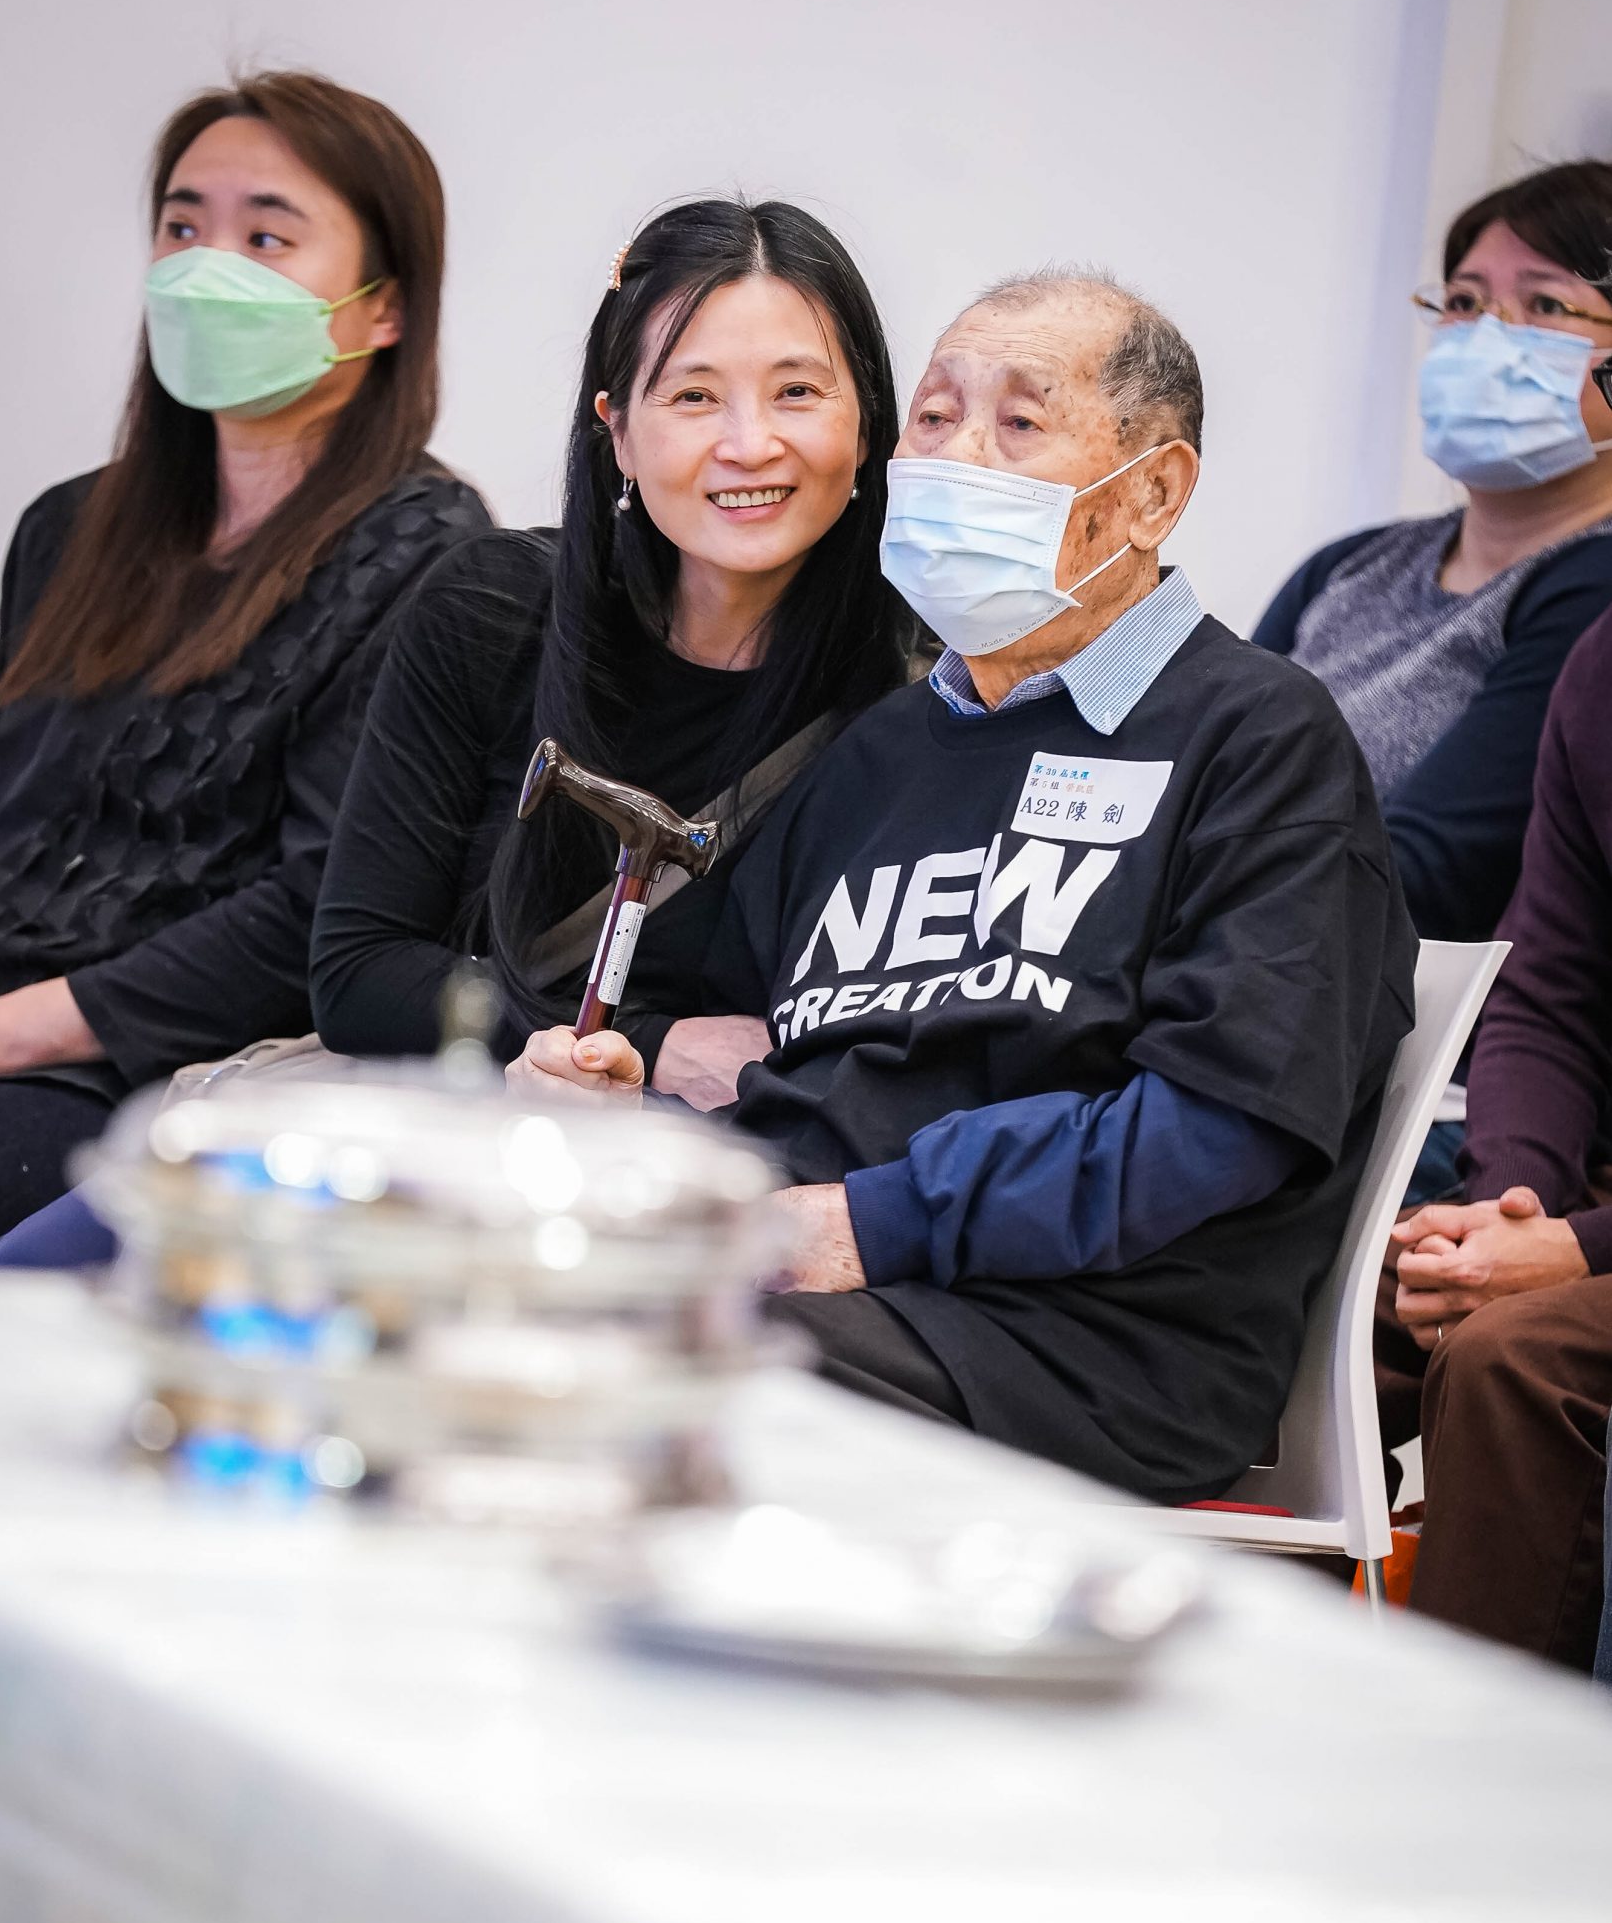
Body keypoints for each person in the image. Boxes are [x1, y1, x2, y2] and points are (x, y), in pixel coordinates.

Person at [510, 272, 1417, 1502]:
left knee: (610, 1371)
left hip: (1079, 1340)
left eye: (1020, 422)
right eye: (935, 417)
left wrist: (869, 1223)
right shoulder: (876, 753)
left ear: (1153, 493)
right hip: (824, 1284)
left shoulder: (1256, 740)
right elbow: (765, 1064)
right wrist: (636, 1113)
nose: (957, 456)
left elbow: (1221, 1127)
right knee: (433, 1302)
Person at [0, 71, 488, 1263]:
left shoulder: (432, 556)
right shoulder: (70, 525)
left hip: (130, 1083)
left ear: (383, 308)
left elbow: (316, 909)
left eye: (266, 236)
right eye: (181, 226)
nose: (204, 268)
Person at [308, 197, 910, 1077]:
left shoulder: (924, 686)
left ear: (864, 425)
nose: (750, 445)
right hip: (479, 1126)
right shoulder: (490, 611)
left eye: (797, 392)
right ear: (618, 429)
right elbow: (359, 975)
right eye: (695, 396)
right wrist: (649, 1047)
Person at [1259, 160, 1612, 955]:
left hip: (1392, 1007)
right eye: (1463, 302)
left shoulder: (1594, 590)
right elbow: (1184, 784)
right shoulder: (1347, 567)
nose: (1485, 334)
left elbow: (1428, 876)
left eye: (1545, 304)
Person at [1379, 599, 1612, 1670]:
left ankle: (1475, 1767)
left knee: (1511, 1357)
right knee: (1303, 1292)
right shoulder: (1603, 665)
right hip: (1581, 1197)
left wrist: (1575, 1251)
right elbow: (1548, 992)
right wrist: (1508, 1210)